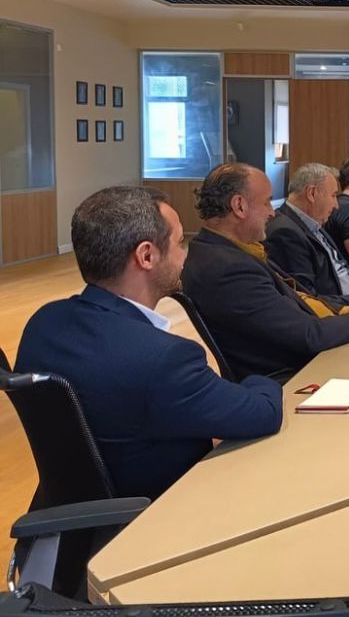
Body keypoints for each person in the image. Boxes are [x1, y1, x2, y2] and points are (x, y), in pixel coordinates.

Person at [16, 186, 282, 499]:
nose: (185, 255)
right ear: (146, 256)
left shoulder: (43, 323)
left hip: (70, 514)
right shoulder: (163, 359)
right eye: (180, 243)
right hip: (161, 514)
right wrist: (259, 378)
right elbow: (264, 413)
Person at [182, 164, 349, 381]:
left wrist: (347, 308)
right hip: (292, 377)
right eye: (267, 202)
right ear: (239, 206)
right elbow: (307, 335)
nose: (272, 212)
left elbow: (298, 299)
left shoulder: (229, 251)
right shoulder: (226, 268)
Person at [264, 163, 349, 307]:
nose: (336, 205)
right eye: (333, 195)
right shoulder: (285, 233)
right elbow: (307, 299)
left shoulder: (312, 223)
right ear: (312, 193)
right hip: (346, 310)